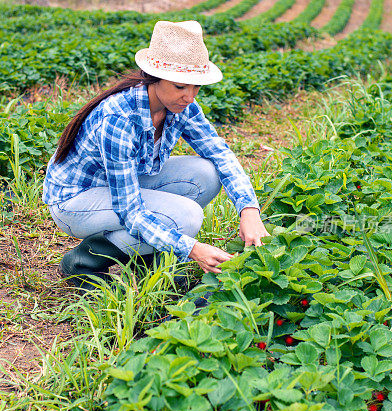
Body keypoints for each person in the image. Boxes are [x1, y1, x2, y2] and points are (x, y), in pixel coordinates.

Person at [43, 19, 269, 289]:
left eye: (196, 87)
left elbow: (220, 153)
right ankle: (83, 262)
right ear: (154, 78)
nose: (189, 96)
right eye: (180, 86)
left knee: (206, 174)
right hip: (76, 201)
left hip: (119, 187)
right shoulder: (119, 117)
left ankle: (146, 259)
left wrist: (249, 208)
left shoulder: (183, 106)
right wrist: (192, 248)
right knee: (185, 217)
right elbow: (130, 209)